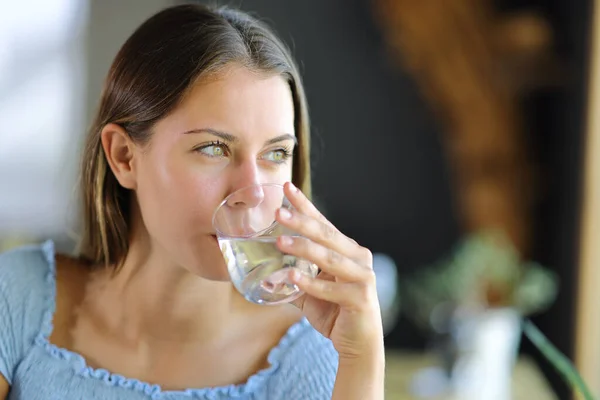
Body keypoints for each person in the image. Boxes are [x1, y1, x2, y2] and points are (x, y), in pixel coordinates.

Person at [0, 4, 384, 399]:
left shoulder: (311, 362)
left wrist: (362, 361)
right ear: (123, 157)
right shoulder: (15, 298)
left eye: (275, 154)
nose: (252, 192)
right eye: (214, 148)